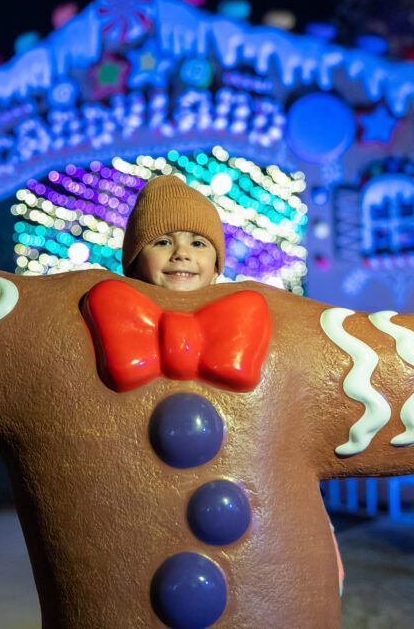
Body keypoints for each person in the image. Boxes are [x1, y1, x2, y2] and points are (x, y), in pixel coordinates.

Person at [121, 175, 347, 596]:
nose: (182, 253)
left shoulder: (249, 320)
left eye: (198, 243)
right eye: (163, 242)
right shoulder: (119, 323)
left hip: (255, 496)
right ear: (134, 260)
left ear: (218, 261)